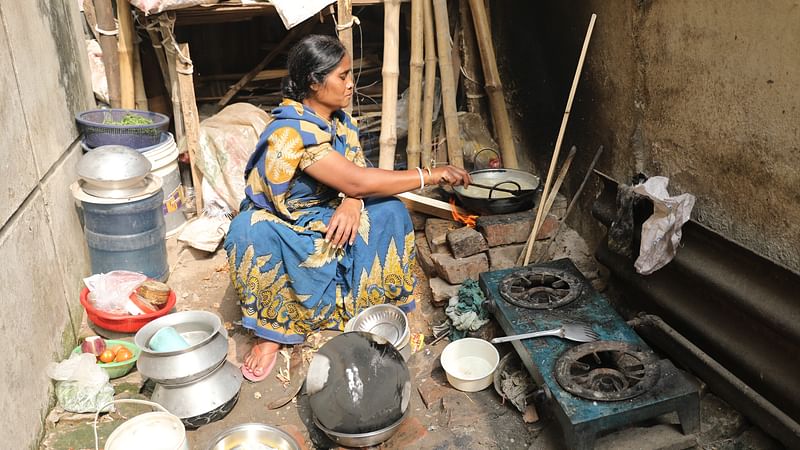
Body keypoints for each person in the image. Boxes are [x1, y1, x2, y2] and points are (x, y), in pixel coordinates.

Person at [224, 34, 471, 381]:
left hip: (330, 213)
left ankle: (372, 309)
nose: (351, 84)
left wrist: (353, 202)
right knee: (247, 231)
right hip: (284, 224)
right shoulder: (291, 132)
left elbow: (356, 176)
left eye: (349, 74)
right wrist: (430, 174)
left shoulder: (340, 123)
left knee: (391, 212)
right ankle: (272, 332)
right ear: (314, 81)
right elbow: (356, 179)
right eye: (342, 76)